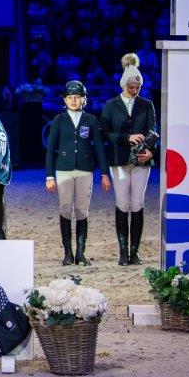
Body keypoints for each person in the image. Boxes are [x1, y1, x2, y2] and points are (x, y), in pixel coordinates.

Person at [45, 80, 111, 266]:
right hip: (63, 169)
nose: (74, 101)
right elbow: (50, 150)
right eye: (70, 98)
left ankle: (81, 252)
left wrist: (104, 173)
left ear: (83, 99)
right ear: (64, 100)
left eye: (77, 97)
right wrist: (49, 176)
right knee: (65, 208)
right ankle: (68, 253)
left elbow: (99, 147)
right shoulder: (58, 120)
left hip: (85, 169)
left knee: (82, 210)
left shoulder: (91, 120)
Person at [100, 53, 157, 265]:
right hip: (119, 160)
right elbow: (104, 133)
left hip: (142, 160)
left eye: (138, 88)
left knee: (138, 203)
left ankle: (135, 251)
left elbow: (153, 131)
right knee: (122, 203)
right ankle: (123, 251)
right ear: (124, 85)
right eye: (131, 87)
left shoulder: (147, 105)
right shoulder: (110, 105)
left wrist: (151, 151)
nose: (135, 91)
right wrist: (127, 137)